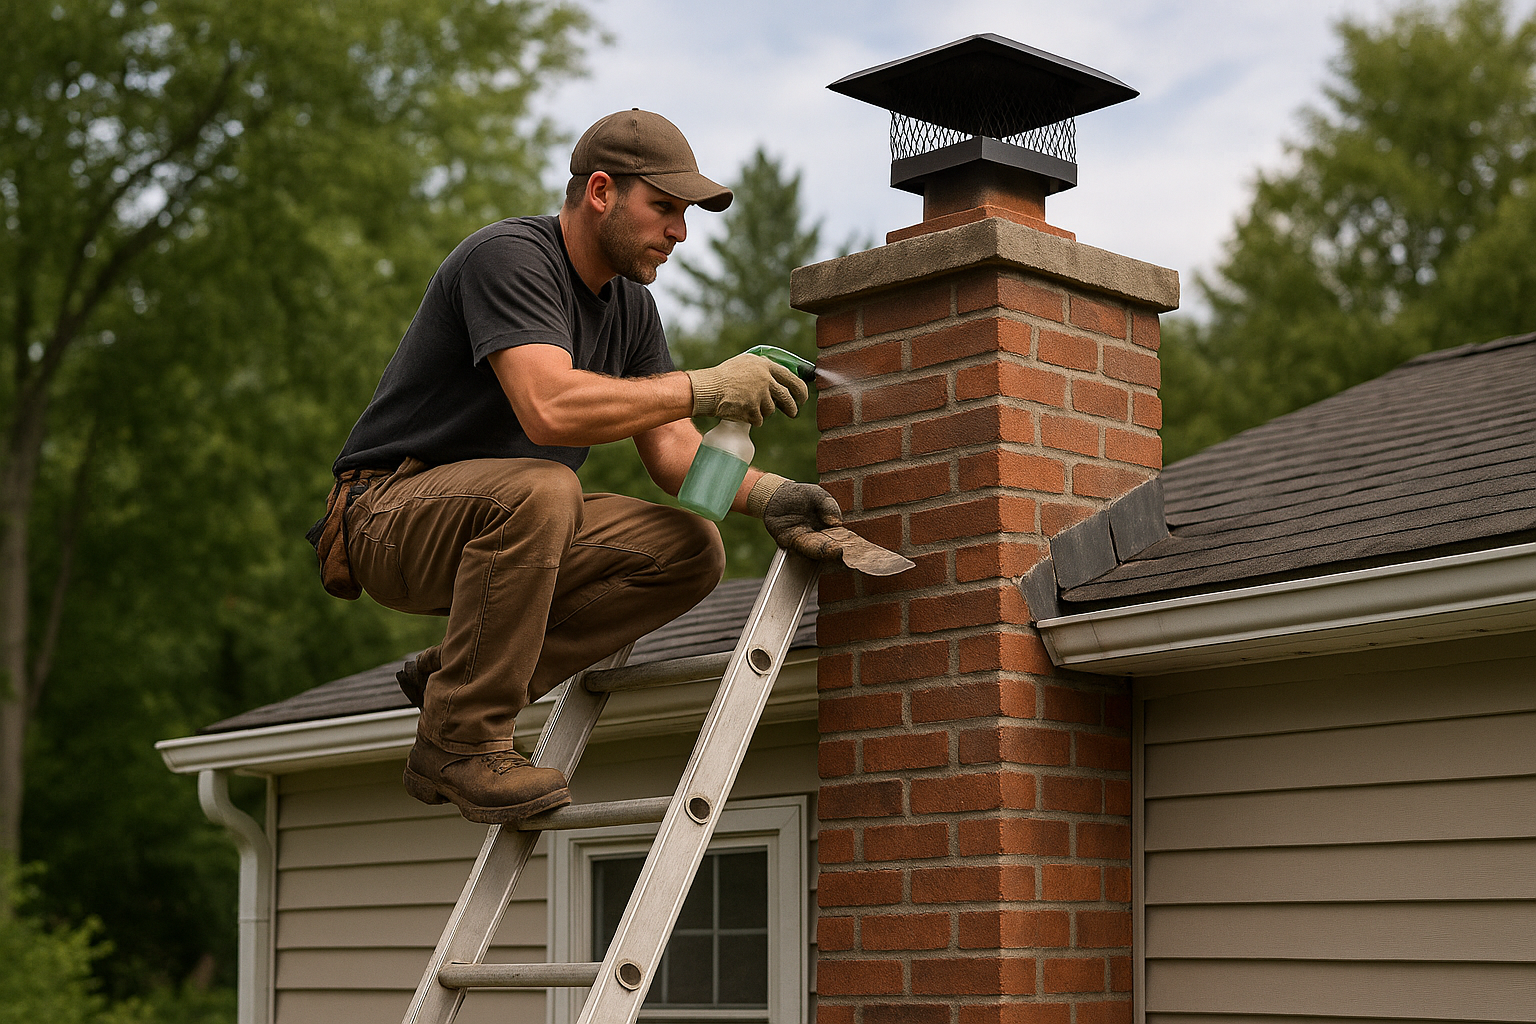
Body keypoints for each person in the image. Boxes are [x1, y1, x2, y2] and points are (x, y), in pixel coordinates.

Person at [308, 110, 843, 826]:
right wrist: (706, 385)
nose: (680, 233)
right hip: (388, 516)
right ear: (600, 191)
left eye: (685, 215)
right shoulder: (509, 258)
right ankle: (461, 742)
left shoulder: (633, 310)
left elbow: (675, 456)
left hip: (513, 524)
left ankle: (456, 680)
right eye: (664, 208)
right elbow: (549, 409)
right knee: (546, 486)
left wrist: (771, 495)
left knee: (691, 550)